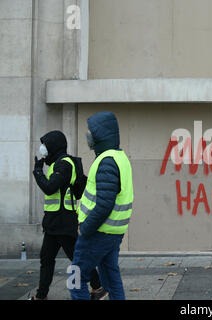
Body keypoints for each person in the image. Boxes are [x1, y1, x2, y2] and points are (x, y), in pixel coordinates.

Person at [31, 130, 107, 300]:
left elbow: (50, 187)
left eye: (45, 144)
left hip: (64, 222)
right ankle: (40, 296)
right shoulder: (56, 164)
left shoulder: (65, 164)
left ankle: (99, 287)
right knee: (47, 258)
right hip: (53, 222)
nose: (43, 148)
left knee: (78, 258)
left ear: (54, 145)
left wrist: (37, 172)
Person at [70, 111, 134, 300]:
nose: (88, 135)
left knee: (75, 278)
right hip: (112, 233)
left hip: (97, 233)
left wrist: (86, 229)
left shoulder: (107, 161)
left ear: (101, 134)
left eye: (91, 131)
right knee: (110, 279)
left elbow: (105, 203)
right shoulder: (119, 158)